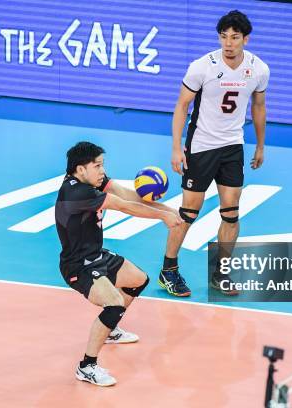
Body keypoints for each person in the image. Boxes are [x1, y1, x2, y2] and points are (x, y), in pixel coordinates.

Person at [158, 10, 270, 297]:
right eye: (224, 37)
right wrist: (176, 148)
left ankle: (220, 274)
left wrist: (259, 145)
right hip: (202, 146)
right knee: (188, 213)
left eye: (234, 37)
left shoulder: (259, 69)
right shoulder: (202, 66)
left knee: (231, 214)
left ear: (246, 39)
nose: (228, 43)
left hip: (233, 146)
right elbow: (182, 106)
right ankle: (168, 270)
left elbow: (258, 107)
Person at [55, 141, 182, 386]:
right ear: (80, 170)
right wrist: (163, 217)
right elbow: (124, 206)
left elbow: (127, 195)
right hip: (78, 266)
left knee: (138, 280)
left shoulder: (90, 180)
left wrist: (168, 209)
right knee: (113, 304)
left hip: (96, 254)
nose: (102, 171)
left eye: (103, 165)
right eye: (98, 166)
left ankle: (110, 329)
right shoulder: (77, 192)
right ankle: (87, 366)